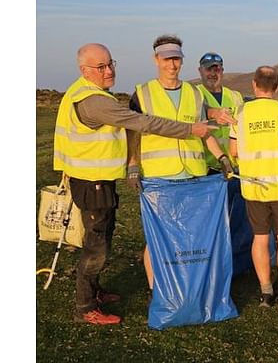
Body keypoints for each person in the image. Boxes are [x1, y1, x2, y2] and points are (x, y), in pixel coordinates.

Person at [53, 43, 213, 325]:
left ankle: (95, 291)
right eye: (100, 67)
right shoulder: (93, 101)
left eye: (110, 63)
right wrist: (190, 129)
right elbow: (143, 123)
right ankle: (84, 306)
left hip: (97, 180)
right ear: (84, 70)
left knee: (103, 235)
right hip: (92, 183)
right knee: (96, 245)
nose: (108, 70)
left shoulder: (86, 91)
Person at [125, 35, 232, 295]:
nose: (172, 65)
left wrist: (222, 158)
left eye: (176, 59)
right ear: (156, 59)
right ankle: (158, 291)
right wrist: (132, 164)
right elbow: (132, 133)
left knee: (192, 236)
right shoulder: (142, 94)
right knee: (157, 237)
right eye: (167, 59)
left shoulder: (194, 93)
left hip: (194, 178)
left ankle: (189, 286)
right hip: (159, 179)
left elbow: (203, 132)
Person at [229, 66, 278, 309]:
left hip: (253, 188)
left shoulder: (240, 112)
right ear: (277, 87)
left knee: (260, 239)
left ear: (254, 84)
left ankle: (265, 293)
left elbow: (233, 151)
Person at [196, 52, 243, 174]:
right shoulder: (194, 94)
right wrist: (211, 113)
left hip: (235, 166)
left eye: (216, 69)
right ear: (200, 70)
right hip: (208, 168)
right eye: (208, 69)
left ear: (222, 71)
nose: (212, 73)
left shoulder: (235, 96)